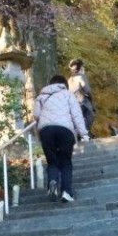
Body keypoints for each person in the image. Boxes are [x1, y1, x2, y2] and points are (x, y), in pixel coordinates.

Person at [34, 74, 89, 203]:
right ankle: (66, 192)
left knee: (52, 161)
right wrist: (84, 134)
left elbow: (36, 116)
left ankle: (52, 181)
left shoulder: (42, 96)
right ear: (64, 84)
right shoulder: (68, 94)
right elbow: (76, 114)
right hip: (65, 130)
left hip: (46, 130)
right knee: (65, 161)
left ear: (50, 84)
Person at [67, 58, 96, 134]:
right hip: (81, 101)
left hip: (71, 103)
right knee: (91, 114)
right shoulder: (81, 78)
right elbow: (88, 91)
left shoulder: (69, 79)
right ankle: (85, 132)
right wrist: (92, 102)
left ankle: (79, 132)